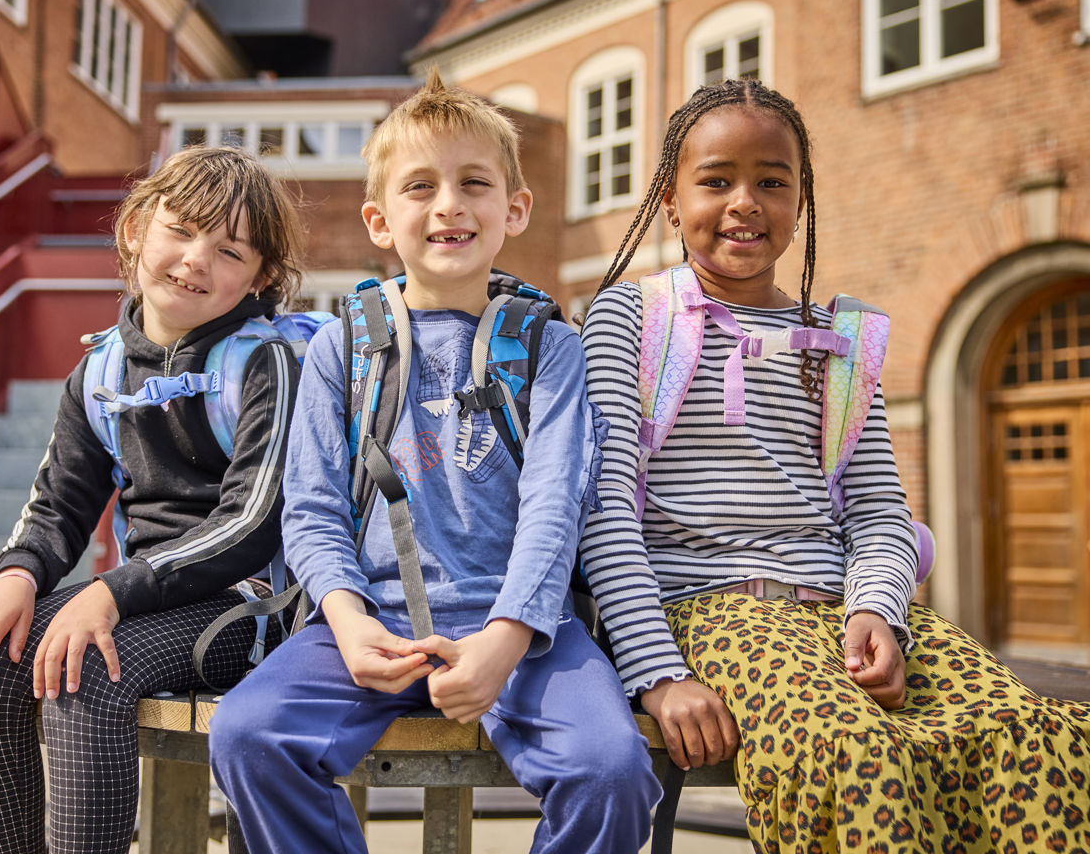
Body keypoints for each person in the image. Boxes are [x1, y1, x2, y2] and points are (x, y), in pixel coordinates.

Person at [580, 78, 1090, 853]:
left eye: (772, 182)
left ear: (802, 202)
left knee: (1034, 735)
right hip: (707, 612)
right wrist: (658, 674)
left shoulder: (842, 345)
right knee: (854, 755)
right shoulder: (633, 316)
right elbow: (604, 509)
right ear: (671, 203)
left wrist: (878, 611)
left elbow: (881, 514)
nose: (745, 203)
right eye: (716, 181)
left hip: (840, 611)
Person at [208, 71, 661, 854]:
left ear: (515, 209)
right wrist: (349, 623)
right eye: (421, 186)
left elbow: (557, 508)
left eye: (473, 183)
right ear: (380, 220)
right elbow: (312, 511)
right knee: (248, 736)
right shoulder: (340, 348)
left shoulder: (553, 348)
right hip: (370, 622)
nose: (449, 204)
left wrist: (504, 640)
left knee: (612, 768)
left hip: (527, 629)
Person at [0, 145, 304, 854]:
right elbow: (59, 503)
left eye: (229, 251)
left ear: (260, 278)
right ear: (136, 229)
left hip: (250, 604)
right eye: (181, 230)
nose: (196, 260)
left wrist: (109, 593)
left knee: (84, 672)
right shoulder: (99, 370)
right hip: (144, 597)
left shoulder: (266, 363)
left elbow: (252, 523)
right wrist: (16, 576)